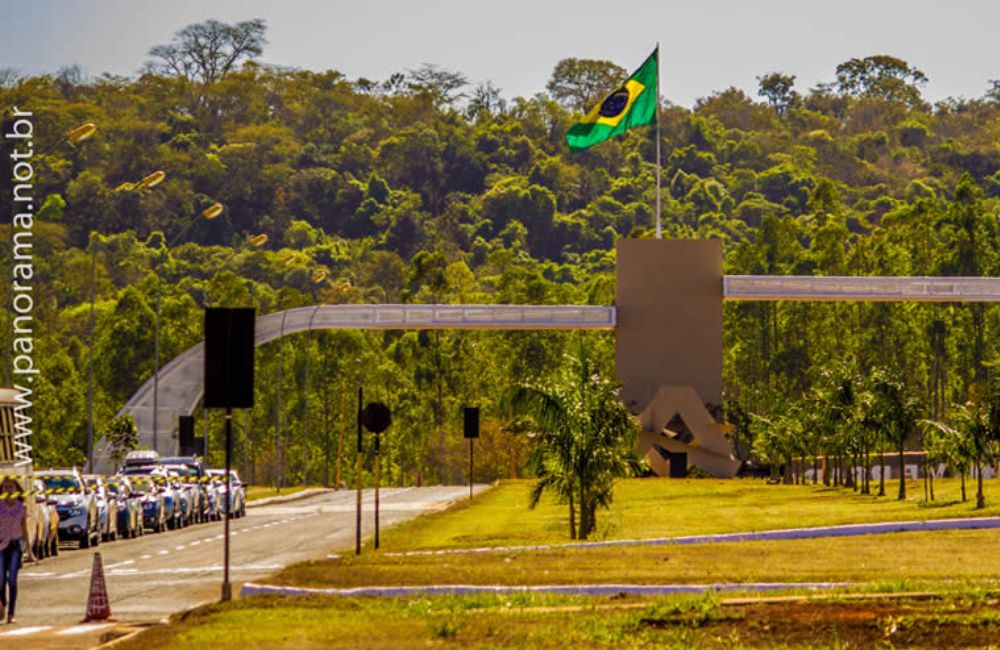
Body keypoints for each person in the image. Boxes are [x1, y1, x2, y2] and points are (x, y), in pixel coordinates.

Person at [0, 477, 33, 624]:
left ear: (16, 489)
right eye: (5, 487)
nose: (8, 490)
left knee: (12, 580)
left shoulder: (21, 507)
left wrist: (29, 551)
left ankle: (11, 613)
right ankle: (3, 605)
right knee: (1, 580)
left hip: (15, 546)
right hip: (0, 546)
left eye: (11, 487)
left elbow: (24, 528)